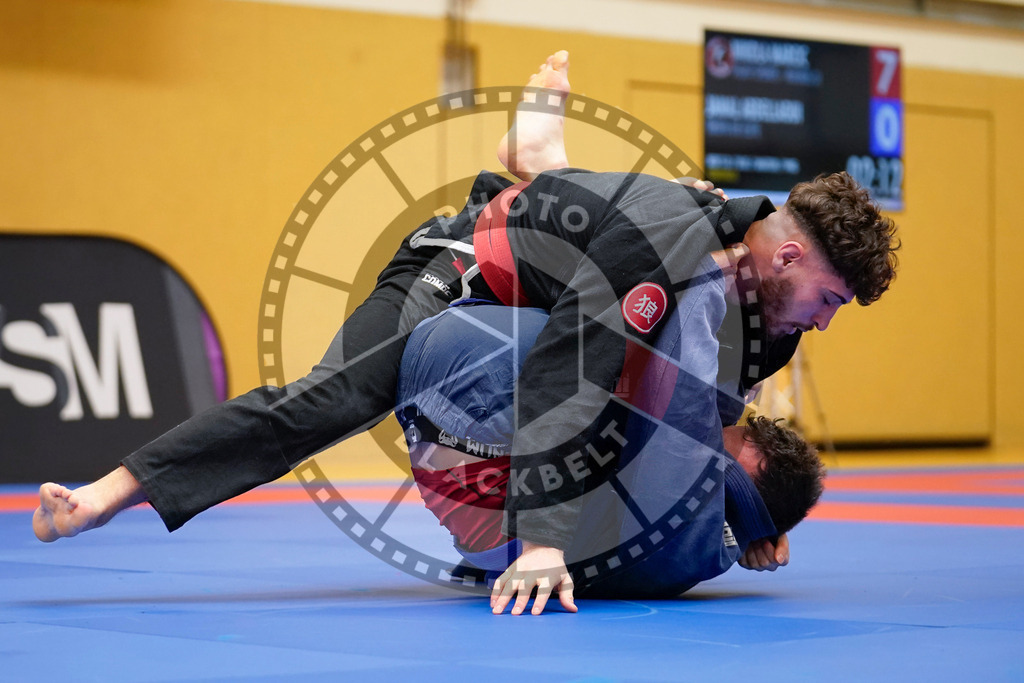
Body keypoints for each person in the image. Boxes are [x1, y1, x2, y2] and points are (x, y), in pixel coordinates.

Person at [33, 51, 897, 614]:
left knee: (632, 255)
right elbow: (569, 371)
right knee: (331, 400)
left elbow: (711, 403)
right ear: (784, 257)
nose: (825, 320)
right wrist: (548, 539)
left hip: (572, 252)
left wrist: (754, 511)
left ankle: (535, 159)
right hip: (461, 271)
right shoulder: (670, 248)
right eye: (826, 296)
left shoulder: (766, 294)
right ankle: (110, 491)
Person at [395, 261, 824, 615]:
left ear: (751, 456)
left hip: (463, 395)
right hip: (465, 478)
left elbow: (688, 378)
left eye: (737, 434)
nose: (718, 428)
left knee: (613, 359)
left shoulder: (684, 491)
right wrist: (758, 526)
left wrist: (712, 265)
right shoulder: (706, 552)